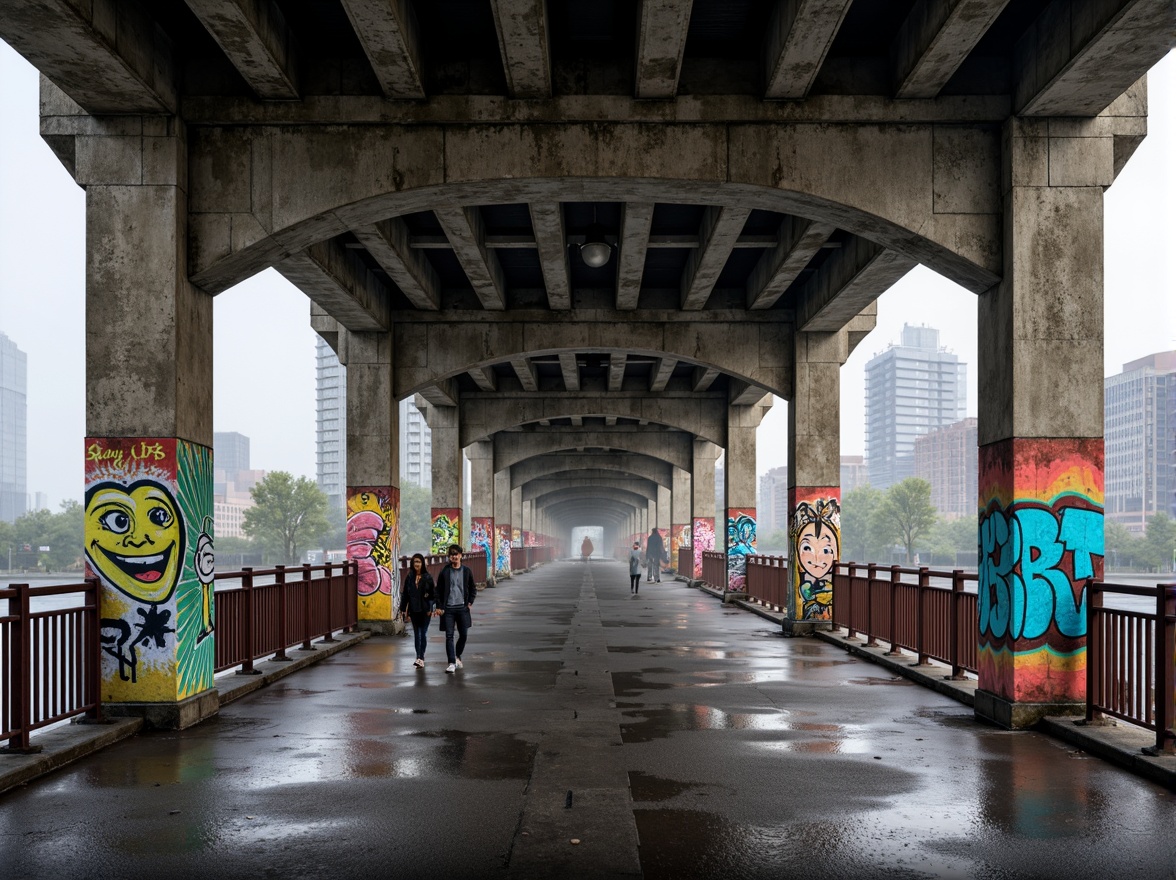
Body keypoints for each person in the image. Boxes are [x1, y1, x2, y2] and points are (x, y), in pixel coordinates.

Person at [435, 543, 476, 673]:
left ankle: (457, 655)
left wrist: (469, 602)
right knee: (449, 636)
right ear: (449, 557)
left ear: (461, 556)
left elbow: (473, 588)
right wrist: (439, 606)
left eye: (456, 554)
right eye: (452, 554)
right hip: (448, 609)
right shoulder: (445, 572)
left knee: (463, 635)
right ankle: (451, 662)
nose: (454, 556)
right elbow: (438, 591)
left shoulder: (466, 571)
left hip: (462, 608)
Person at [398, 553, 436, 668]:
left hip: (425, 611)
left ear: (422, 564)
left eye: (419, 562)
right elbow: (405, 594)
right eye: (415, 562)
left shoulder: (427, 577)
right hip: (414, 610)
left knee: (422, 634)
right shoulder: (409, 577)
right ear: (412, 563)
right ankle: (418, 657)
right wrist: (403, 609)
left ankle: (421, 657)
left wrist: (430, 607)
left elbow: (433, 596)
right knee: (416, 634)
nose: (417, 564)